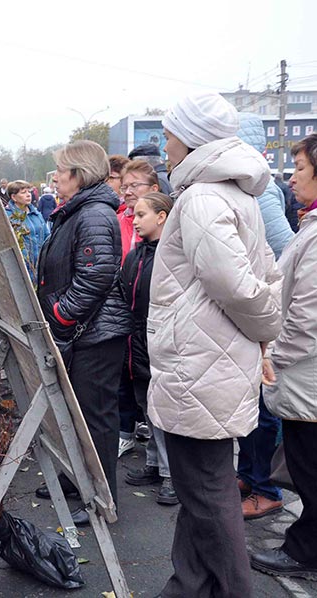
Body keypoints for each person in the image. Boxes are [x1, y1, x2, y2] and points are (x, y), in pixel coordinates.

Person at [148, 92, 282, 598]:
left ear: (193, 137)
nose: (166, 146)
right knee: (202, 488)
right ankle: (189, 585)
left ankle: (230, 590)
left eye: (169, 135)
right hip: (210, 364)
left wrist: (264, 332)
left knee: (207, 490)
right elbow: (266, 274)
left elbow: (240, 286)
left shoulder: (203, 197)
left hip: (199, 367)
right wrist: (261, 337)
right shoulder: (231, 194)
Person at [34, 140, 131, 526]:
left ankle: (103, 498)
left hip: (96, 335)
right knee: (79, 415)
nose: (55, 178)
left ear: (78, 174)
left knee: (97, 418)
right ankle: (79, 480)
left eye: (60, 171)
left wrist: (60, 316)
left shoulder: (91, 214)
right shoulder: (78, 211)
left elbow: (95, 277)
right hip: (84, 332)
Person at [252, 132, 317, 580]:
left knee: (310, 471)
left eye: (300, 170)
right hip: (305, 378)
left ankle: (304, 552)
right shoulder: (310, 227)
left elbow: (307, 315)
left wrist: (275, 354)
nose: (291, 179)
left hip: (307, 380)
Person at [235, 112, 294, 520]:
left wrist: (262, 300)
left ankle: (266, 488)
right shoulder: (252, 188)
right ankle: (248, 475)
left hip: (269, 315)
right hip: (261, 311)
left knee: (264, 410)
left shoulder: (264, 192)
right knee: (253, 409)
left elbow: (286, 255)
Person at [120, 192, 177, 506]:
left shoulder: (172, 255)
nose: (135, 220)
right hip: (137, 346)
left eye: (141, 214)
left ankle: (172, 476)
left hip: (159, 344)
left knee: (163, 414)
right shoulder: (137, 254)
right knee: (147, 409)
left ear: (162, 216)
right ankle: (155, 465)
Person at [116, 160, 160, 459]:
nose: (127, 191)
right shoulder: (120, 219)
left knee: (156, 399)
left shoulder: (164, 241)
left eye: (135, 185)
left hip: (152, 325)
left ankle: (167, 467)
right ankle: (134, 438)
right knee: (133, 387)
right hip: (128, 318)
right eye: (125, 185)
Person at [5, 180, 49, 283]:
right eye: (23, 192)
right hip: (21, 270)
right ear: (14, 197)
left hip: (41, 267)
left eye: (29, 192)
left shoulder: (36, 213)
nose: (28, 195)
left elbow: (47, 237)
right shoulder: (7, 216)